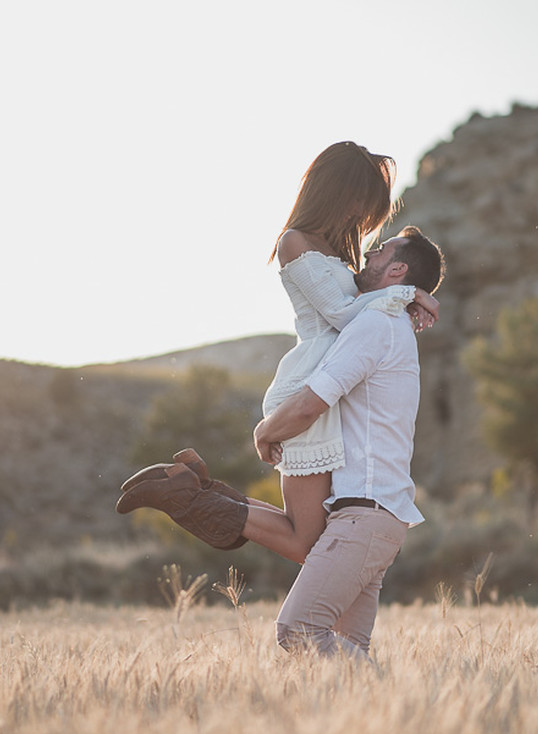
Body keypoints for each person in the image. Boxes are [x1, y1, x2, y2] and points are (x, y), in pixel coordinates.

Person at [121, 226, 445, 659]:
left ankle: (195, 496)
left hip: (364, 515)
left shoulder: (377, 323)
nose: (368, 256)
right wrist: (411, 295)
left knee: (299, 630)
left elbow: (311, 404)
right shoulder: (387, 319)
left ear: (398, 269)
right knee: (346, 653)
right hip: (374, 516)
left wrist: (265, 431)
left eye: (379, 251)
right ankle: (199, 494)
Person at [117, 142, 438, 564]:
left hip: (327, 390)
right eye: (362, 201)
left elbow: (361, 309)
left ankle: (197, 489)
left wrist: (402, 293)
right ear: (338, 190)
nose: (363, 214)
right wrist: (406, 293)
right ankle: (188, 496)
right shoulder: (295, 243)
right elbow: (343, 315)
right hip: (306, 387)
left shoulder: (338, 253)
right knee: (306, 543)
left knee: (307, 532)